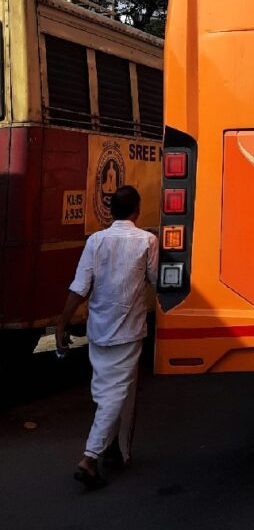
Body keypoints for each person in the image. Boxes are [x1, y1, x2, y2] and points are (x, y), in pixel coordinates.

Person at [56, 185, 158, 489]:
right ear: (137, 210)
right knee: (116, 395)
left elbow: (79, 287)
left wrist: (62, 324)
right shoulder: (147, 240)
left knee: (107, 392)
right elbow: (155, 280)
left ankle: (117, 449)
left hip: (98, 330)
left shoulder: (96, 241)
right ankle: (90, 457)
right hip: (128, 331)